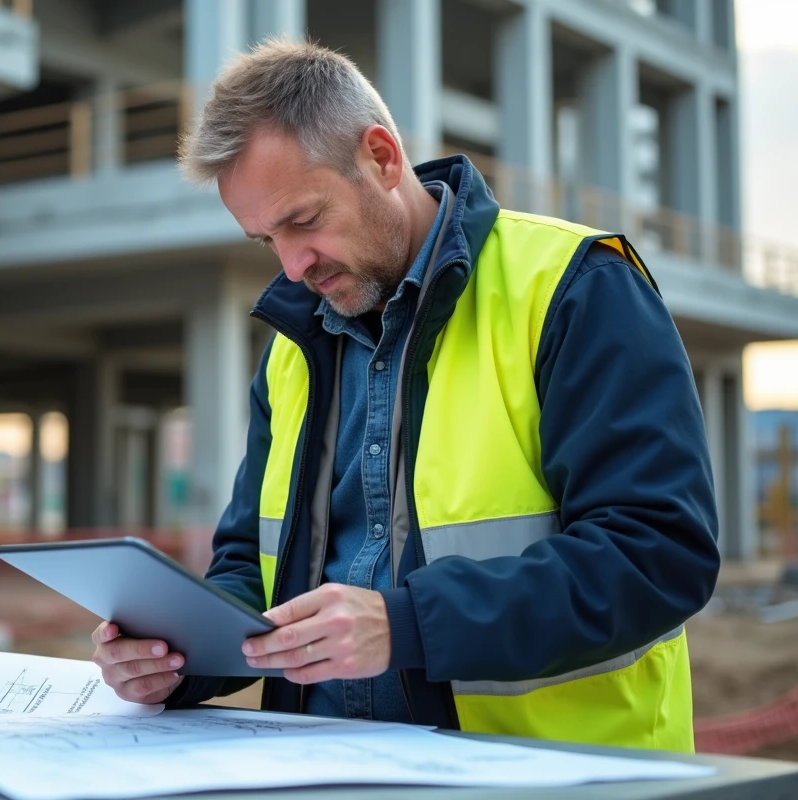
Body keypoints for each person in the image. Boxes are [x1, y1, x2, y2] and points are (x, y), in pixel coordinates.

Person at [91, 40, 719, 753]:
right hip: (316, 766)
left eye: (303, 220)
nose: (293, 267)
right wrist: (178, 659)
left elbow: (658, 555)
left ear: (383, 158)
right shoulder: (290, 353)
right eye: (266, 239)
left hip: (550, 773)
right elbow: (249, 566)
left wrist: (407, 623)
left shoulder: (576, 288)